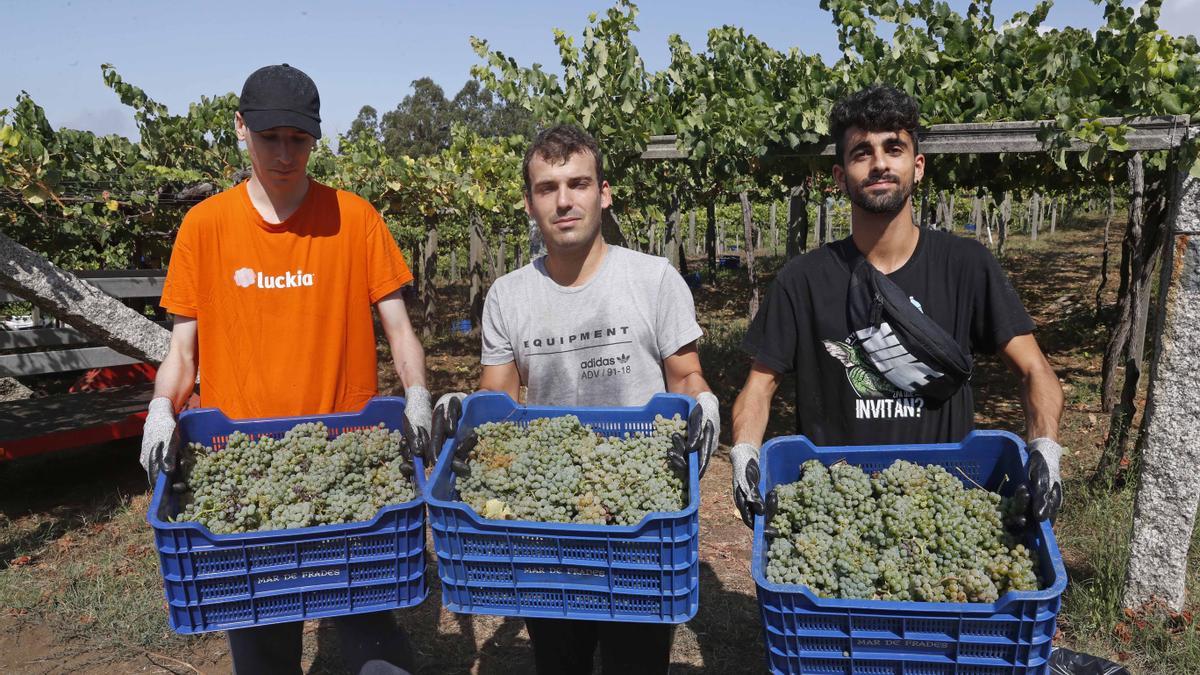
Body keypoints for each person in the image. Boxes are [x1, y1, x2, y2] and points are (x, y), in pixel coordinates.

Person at [138, 64, 430, 675]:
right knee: (264, 644)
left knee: (370, 632)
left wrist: (418, 393)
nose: (283, 154)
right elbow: (183, 351)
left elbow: (399, 327)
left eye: (298, 140)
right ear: (241, 128)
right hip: (244, 466)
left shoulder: (355, 218)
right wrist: (162, 410)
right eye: (269, 138)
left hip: (350, 456)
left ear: (315, 138)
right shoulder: (205, 228)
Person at [433, 124, 720, 675]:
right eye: (547, 188)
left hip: (640, 524)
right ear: (529, 203)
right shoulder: (508, 295)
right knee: (558, 659)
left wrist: (702, 403)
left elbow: (685, 377)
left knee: (637, 662)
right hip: (548, 528)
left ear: (603, 193)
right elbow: (499, 401)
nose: (564, 201)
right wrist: (463, 409)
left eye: (578, 183)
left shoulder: (654, 280)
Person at [729, 84, 1064, 528]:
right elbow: (759, 387)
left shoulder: (966, 266)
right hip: (836, 514)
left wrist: (1045, 449)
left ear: (917, 166)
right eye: (861, 153)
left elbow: (1034, 371)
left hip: (942, 509)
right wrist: (745, 453)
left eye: (894, 148)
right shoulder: (803, 281)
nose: (880, 163)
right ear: (839, 176)